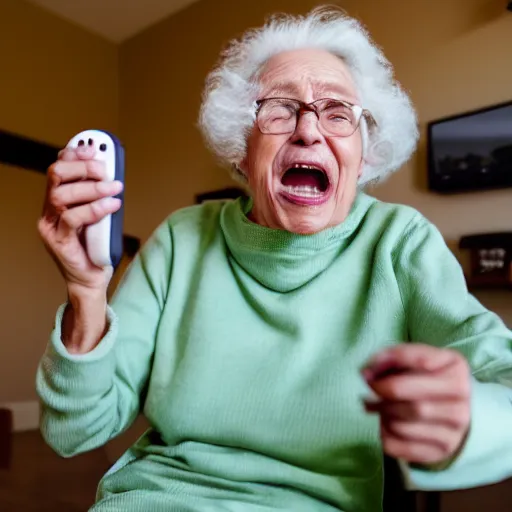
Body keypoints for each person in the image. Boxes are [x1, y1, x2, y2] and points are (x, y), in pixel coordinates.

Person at [36, 6, 512, 512]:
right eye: (280, 109)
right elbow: (72, 432)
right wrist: (87, 291)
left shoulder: (400, 241)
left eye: (337, 113)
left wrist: (467, 419)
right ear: (242, 148)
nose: (309, 131)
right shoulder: (182, 238)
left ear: (365, 154)